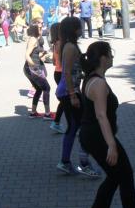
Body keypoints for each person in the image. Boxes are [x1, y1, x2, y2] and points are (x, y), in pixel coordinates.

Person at [78, 41, 135, 208]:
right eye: (111, 54)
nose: (113, 57)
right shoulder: (98, 83)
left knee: (115, 176)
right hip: (98, 138)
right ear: (103, 58)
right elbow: (101, 115)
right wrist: (111, 145)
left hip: (93, 136)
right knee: (125, 175)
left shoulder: (92, 78)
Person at [55, 17, 99, 177]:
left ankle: (65, 162)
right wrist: (73, 95)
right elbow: (66, 71)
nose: (82, 29)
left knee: (74, 127)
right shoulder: (70, 47)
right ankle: (84, 164)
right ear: (74, 30)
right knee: (84, 127)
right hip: (69, 92)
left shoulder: (70, 46)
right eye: (80, 27)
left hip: (69, 91)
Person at [23, 24, 51, 119]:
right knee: (46, 88)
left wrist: (43, 54)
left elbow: (35, 55)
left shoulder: (34, 38)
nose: (41, 29)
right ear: (35, 30)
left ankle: (33, 112)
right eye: (39, 28)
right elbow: (27, 55)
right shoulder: (33, 40)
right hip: (32, 69)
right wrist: (34, 67)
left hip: (30, 68)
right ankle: (47, 114)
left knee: (39, 89)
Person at [49, 23, 65, 134]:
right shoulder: (61, 43)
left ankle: (57, 122)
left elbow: (54, 61)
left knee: (65, 101)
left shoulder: (55, 44)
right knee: (66, 101)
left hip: (58, 72)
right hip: (63, 73)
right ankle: (56, 122)